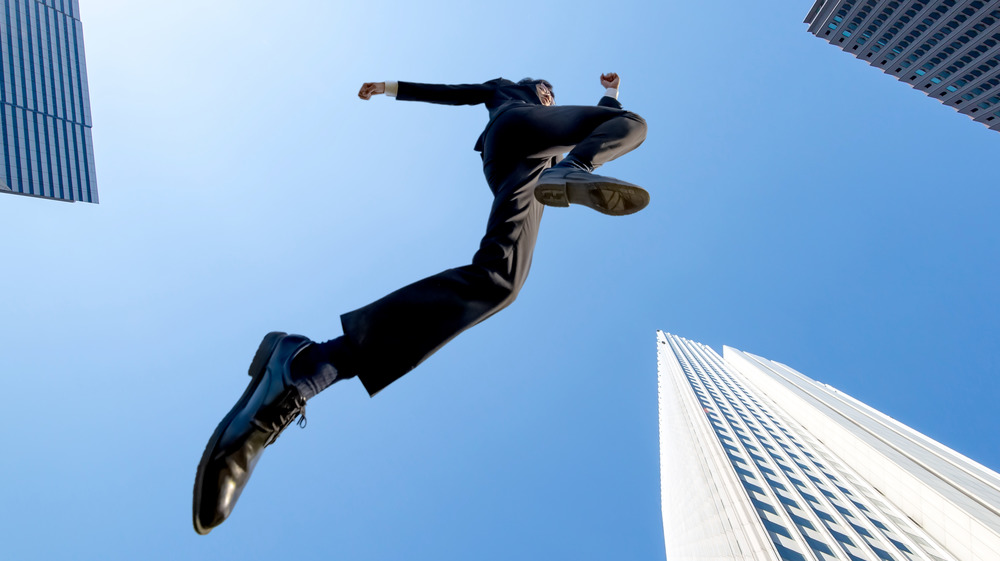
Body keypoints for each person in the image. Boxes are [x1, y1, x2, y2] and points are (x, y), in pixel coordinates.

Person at [192, 73, 648, 535]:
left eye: (552, 96)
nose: (550, 98)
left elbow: (605, 118)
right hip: (514, 135)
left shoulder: (552, 124)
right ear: (534, 88)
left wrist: (608, 94)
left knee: (501, 283)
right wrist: (390, 87)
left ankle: (311, 367)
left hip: (529, 177)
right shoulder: (510, 92)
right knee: (633, 124)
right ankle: (576, 169)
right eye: (545, 92)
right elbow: (455, 94)